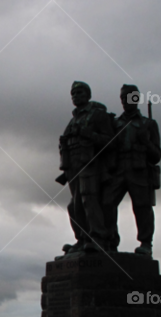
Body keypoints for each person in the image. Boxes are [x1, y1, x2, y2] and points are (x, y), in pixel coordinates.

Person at [59, 81, 115, 255]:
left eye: (80, 92)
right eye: (73, 93)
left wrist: (88, 134)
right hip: (73, 166)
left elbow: (110, 141)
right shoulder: (73, 119)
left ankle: (98, 237)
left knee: (88, 199)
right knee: (73, 206)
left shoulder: (97, 115)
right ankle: (82, 238)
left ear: (88, 95)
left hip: (90, 163)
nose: (76, 95)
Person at [105, 84, 161, 257]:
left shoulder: (149, 124)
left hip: (139, 171)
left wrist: (146, 142)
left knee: (142, 207)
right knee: (106, 203)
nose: (125, 101)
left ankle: (146, 243)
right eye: (122, 97)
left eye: (129, 97)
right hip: (118, 170)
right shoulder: (114, 123)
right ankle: (110, 241)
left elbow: (157, 155)